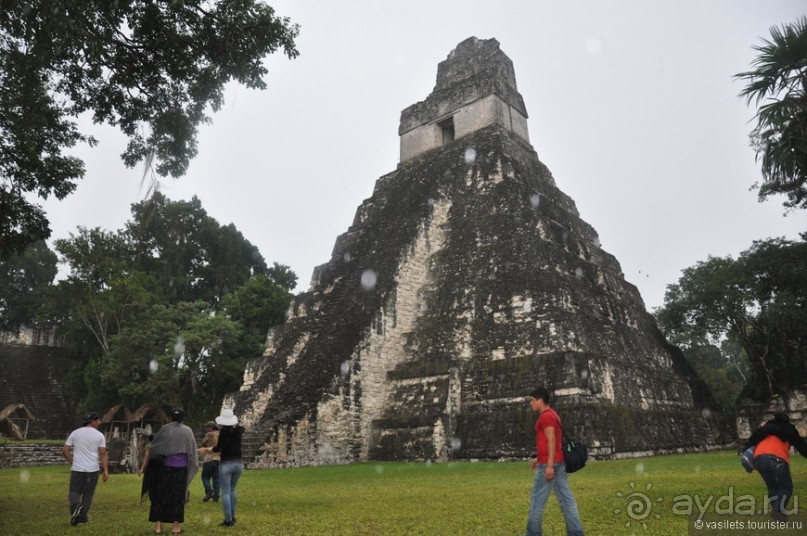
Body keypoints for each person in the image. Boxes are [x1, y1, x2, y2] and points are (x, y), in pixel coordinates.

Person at [525, 387, 584, 536]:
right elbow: (552, 442)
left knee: (537, 502)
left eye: (532, 400)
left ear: (540, 400)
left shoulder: (546, 417)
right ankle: (576, 533)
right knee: (566, 501)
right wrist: (539, 459)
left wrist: (548, 465)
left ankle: (532, 534)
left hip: (550, 465)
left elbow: (551, 440)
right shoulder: (553, 415)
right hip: (557, 462)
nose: (530, 403)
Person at [141, 409, 199, 535]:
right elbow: (192, 450)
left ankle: (158, 526)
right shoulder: (187, 430)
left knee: (160, 496)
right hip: (180, 470)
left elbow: (154, 447)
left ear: (171, 417)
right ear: (183, 418)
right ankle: (175, 527)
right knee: (177, 497)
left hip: (164, 469)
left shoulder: (165, 429)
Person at [743, 412, 807, 520]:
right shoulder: (788, 429)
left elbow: (751, 442)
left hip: (758, 459)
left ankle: (777, 514)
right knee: (786, 487)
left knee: (772, 487)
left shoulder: (764, 430)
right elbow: (801, 446)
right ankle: (777, 510)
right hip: (776, 458)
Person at [62, 411, 109, 526]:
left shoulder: (75, 433)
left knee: (74, 492)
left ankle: (76, 508)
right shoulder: (99, 435)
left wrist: (71, 461)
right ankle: (82, 518)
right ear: (92, 421)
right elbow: (103, 453)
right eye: (98, 420)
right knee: (88, 494)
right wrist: (105, 470)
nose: (99, 422)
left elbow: (65, 450)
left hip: (77, 469)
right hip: (92, 470)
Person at [201, 408, 244, 527]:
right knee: (232, 490)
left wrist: (208, 449)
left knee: (225, 492)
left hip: (227, 464)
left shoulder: (224, 431)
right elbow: (240, 428)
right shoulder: (238, 431)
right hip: (239, 463)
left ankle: (228, 519)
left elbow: (218, 448)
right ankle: (233, 516)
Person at [198, 421, 221, 502]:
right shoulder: (220, 434)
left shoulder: (209, 434)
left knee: (205, 476)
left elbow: (203, 442)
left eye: (208, 427)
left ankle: (209, 491)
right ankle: (216, 495)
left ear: (211, 427)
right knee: (216, 478)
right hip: (218, 459)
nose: (206, 429)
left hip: (209, 458)